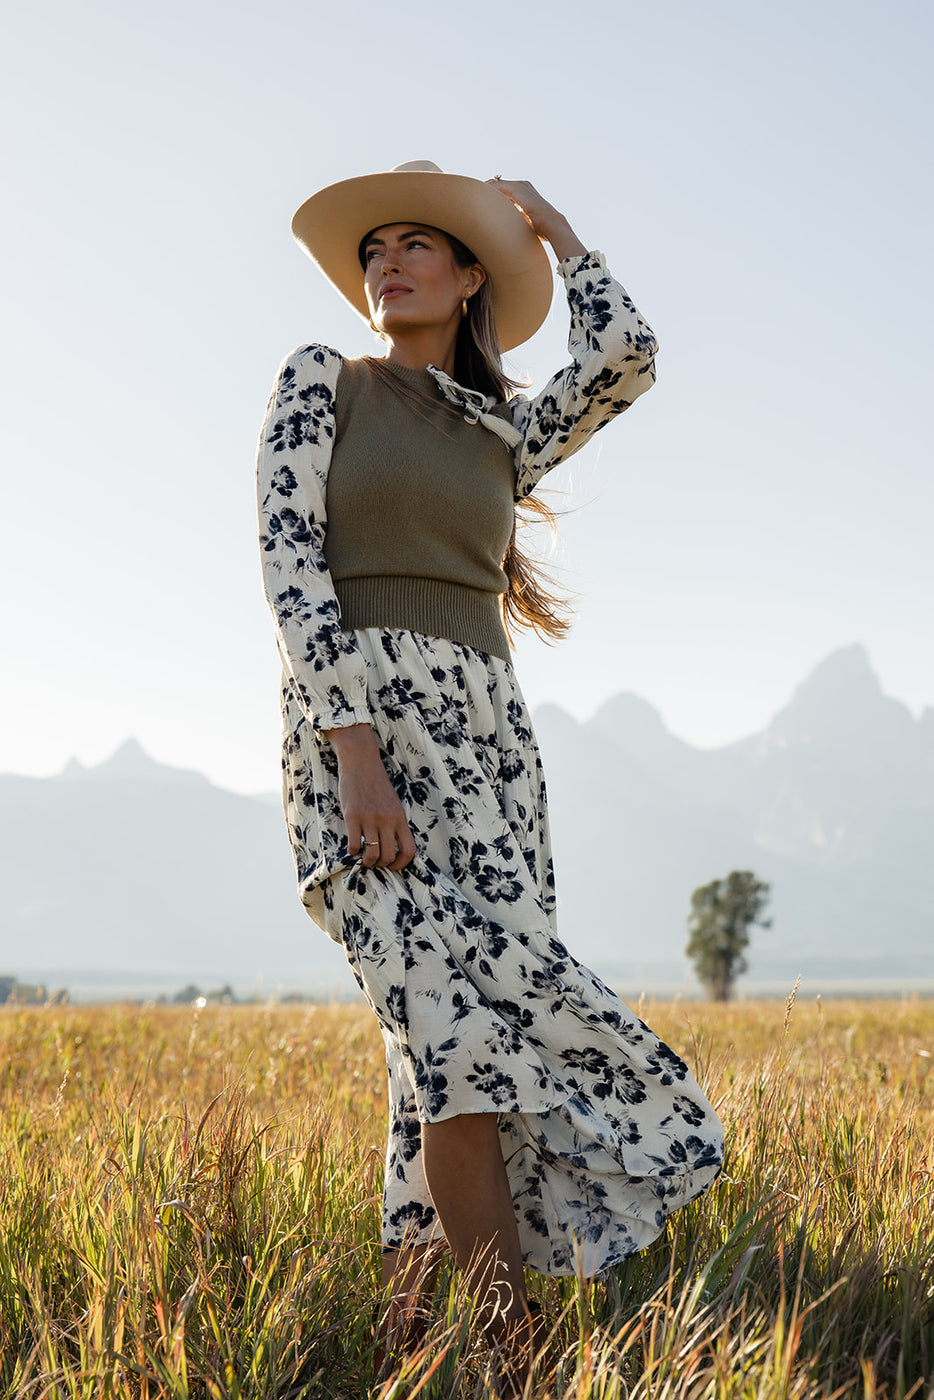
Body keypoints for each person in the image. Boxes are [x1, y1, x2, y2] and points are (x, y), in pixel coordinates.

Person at [256, 160, 723, 1390]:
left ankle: (413, 1345)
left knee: (446, 1056)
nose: (388, 263)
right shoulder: (322, 382)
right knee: (452, 1035)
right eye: (374, 250)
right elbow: (290, 566)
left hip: (487, 750)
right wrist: (352, 747)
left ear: (469, 278)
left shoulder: (494, 430)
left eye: (420, 246)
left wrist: (558, 235)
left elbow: (624, 358)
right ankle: (509, 1362)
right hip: (359, 735)